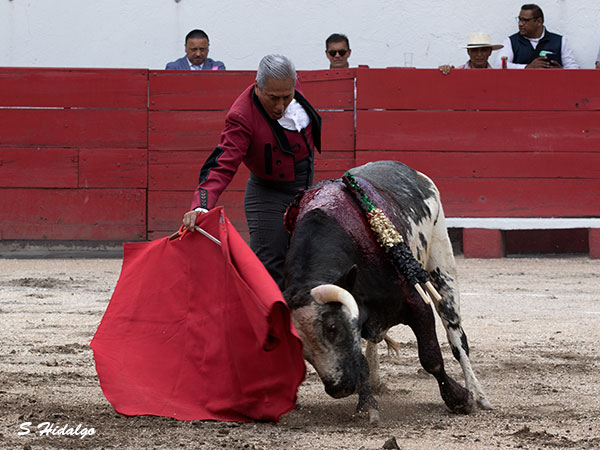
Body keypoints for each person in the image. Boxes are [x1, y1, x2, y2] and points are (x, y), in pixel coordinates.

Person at [182, 54, 321, 290]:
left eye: (286, 97)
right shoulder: (242, 116)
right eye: (273, 98)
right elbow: (221, 164)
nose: (280, 106)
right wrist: (201, 206)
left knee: (308, 259)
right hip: (269, 194)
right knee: (270, 265)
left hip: (305, 188)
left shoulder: (288, 85)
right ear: (258, 87)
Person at [495, 4, 578, 69]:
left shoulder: (560, 41)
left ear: (539, 21)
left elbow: (574, 69)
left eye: (525, 20)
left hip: (552, 85)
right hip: (521, 85)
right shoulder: (511, 41)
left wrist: (561, 71)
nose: (520, 24)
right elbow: (499, 65)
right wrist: (526, 67)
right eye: (520, 19)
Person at [439, 32, 503, 75]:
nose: (479, 54)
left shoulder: (496, 76)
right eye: (474, 50)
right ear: (468, 51)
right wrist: (443, 73)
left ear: (490, 52)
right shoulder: (456, 72)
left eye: (483, 50)